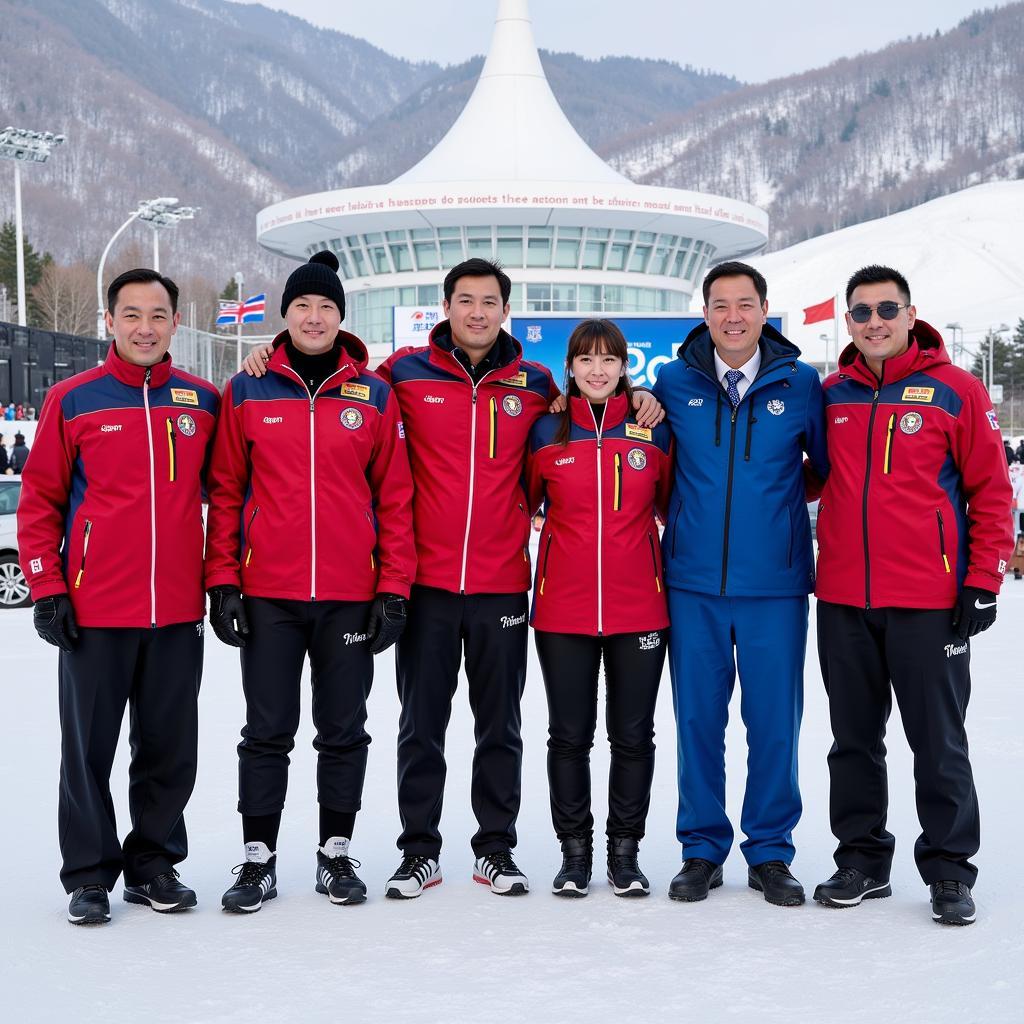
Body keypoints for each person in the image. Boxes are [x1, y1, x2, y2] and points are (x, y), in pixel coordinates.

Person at [241, 257, 662, 898]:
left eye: (488, 301)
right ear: (446, 306)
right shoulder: (403, 375)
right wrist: (267, 358)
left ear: (504, 310)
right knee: (421, 724)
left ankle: (496, 848)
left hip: (500, 583)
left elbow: (579, 418)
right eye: (464, 300)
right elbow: (327, 376)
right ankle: (419, 851)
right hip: (427, 582)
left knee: (501, 726)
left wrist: (639, 397)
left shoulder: (535, 383)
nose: (476, 312)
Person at [205, 251, 415, 912]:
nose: (315, 316)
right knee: (266, 730)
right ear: (286, 316)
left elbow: (395, 500)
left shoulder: (373, 394)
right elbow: (226, 492)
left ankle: (335, 851)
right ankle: (257, 857)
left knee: (343, 729)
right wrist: (223, 582)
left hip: (350, 595)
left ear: (340, 317)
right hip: (269, 593)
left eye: (326, 307)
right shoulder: (248, 389)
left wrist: (394, 589)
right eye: (303, 306)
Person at [812, 265, 1013, 926]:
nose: (875, 322)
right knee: (853, 741)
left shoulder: (954, 390)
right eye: (862, 312)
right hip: (843, 597)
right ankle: (862, 863)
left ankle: (950, 871)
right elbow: (806, 475)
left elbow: (991, 491)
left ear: (909, 312)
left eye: (886, 309)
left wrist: (982, 580)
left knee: (938, 739)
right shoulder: (832, 392)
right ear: (849, 322)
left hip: (929, 601)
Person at [18, 268, 219, 926]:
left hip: (177, 613)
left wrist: (222, 582)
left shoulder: (202, 402)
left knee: (168, 749)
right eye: (131, 315)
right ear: (109, 322)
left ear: (174, 324)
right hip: (94, 610)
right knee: (88, 751)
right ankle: (88, 875)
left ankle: (154, 864)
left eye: (157, 315)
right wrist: (49, 587)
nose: (144, 327)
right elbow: (40, 500)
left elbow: (233, 498)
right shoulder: (75, 401)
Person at [653, 260, 828, 907]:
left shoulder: (800, 382)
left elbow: (824, 469)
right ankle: (700, 850)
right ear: (705, 314)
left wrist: (777, 508)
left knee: (774, 724)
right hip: (692, 582)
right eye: (721, 305)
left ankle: (771, 852)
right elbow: (657, 466)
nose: (733, 316)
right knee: (698, 720)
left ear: (763, 311)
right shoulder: (673, 381)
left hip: (775, 587)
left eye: (745, 304)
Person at [526, 319, 672, 897]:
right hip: (563, 609)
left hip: (640, 608)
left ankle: (625, 854)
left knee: (633, 737)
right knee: (569, 735)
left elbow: (669, 504)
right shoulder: (545, 432)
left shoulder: (652, 429)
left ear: (623, 365)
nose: (596, 370)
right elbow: (519, 500)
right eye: (585, 360)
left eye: (608, 360)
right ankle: (575, 854)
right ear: (570, 366)